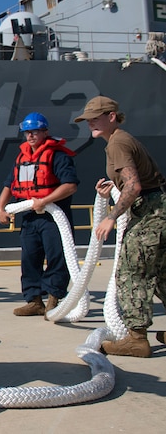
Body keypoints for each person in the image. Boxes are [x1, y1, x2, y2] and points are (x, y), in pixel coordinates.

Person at [75, 96, 166, 357]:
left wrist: (111, 217)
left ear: (112, 116)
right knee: (162, 273)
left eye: (96, 117)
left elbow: (135, 185)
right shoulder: (122, 140)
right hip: (159, 208)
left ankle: (136, 339)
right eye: (88, 119)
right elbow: (136, 183)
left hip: (150, 213)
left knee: (132, 272)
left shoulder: (118, 143)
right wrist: (110, 190)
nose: (90, 122)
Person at [0, 112, 79, 317]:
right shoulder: (22, 157)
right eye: (27, 132)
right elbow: (10, 184)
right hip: (29, 217)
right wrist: (1, 208)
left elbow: (70, 186)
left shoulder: (58, 156)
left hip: (53, 217)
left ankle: (54, 298)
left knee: (57, 256)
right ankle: (34, 300)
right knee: (29, 258)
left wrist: (44, 201)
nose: (31, 136)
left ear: (45, 132)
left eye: (35, 131)